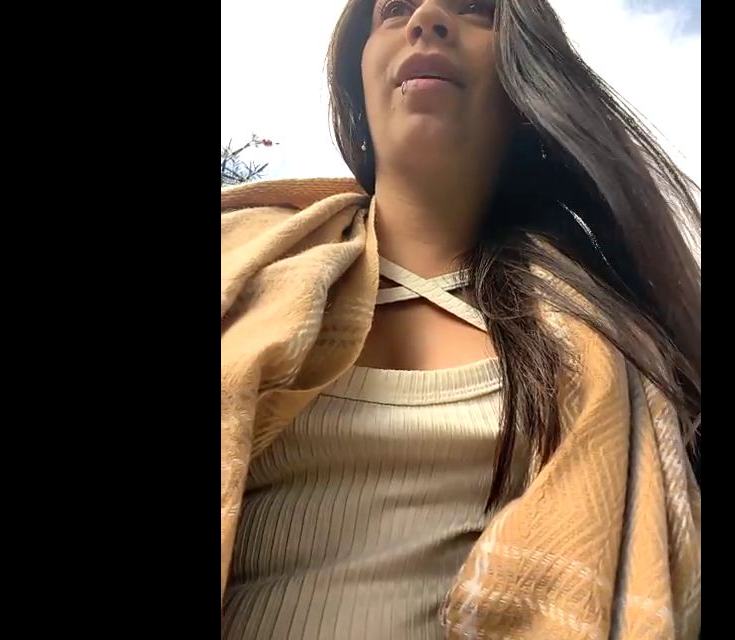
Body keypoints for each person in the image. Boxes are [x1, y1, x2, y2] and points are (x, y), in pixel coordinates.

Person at [220, 0, 700, 638]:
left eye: (475, 8)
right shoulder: (241, 262)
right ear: (357, 77)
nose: (426, 18)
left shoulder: (613, 337)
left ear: (525, 78)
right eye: (394, 10)